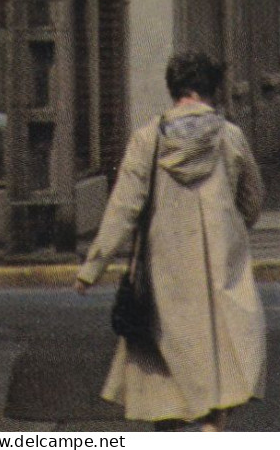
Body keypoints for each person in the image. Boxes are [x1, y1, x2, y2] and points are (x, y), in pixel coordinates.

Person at [75, 53, 267, 431]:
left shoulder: (148, 139)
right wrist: (232, 224)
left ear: (175, 89)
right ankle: (213, 426)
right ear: (211, 89)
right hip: (219, 268)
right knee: (219, 359)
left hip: (164, 272)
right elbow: (252, 200)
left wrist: (92, 267)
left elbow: (124, 207)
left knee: (164, 369)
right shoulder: (230, 137)